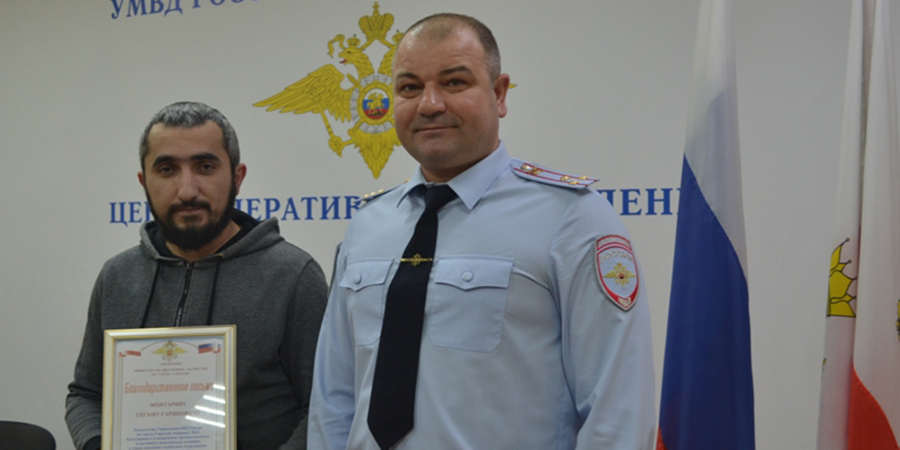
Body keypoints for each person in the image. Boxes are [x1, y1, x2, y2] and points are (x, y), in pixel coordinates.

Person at [307, 13, 655, 450]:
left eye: (454, 82)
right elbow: (333, 400)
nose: (429, 104)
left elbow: (617, 411)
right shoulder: (367, 225)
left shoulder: (571, 218)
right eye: (409, 88)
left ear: (499, 92)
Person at [66, 101, 329, 450]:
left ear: (237, 178)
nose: (187, 190)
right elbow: (86, 394)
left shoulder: (293, 276)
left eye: (205, 167)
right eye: (167, 170)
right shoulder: (117, 276)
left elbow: (324, 408)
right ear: (144, 182)